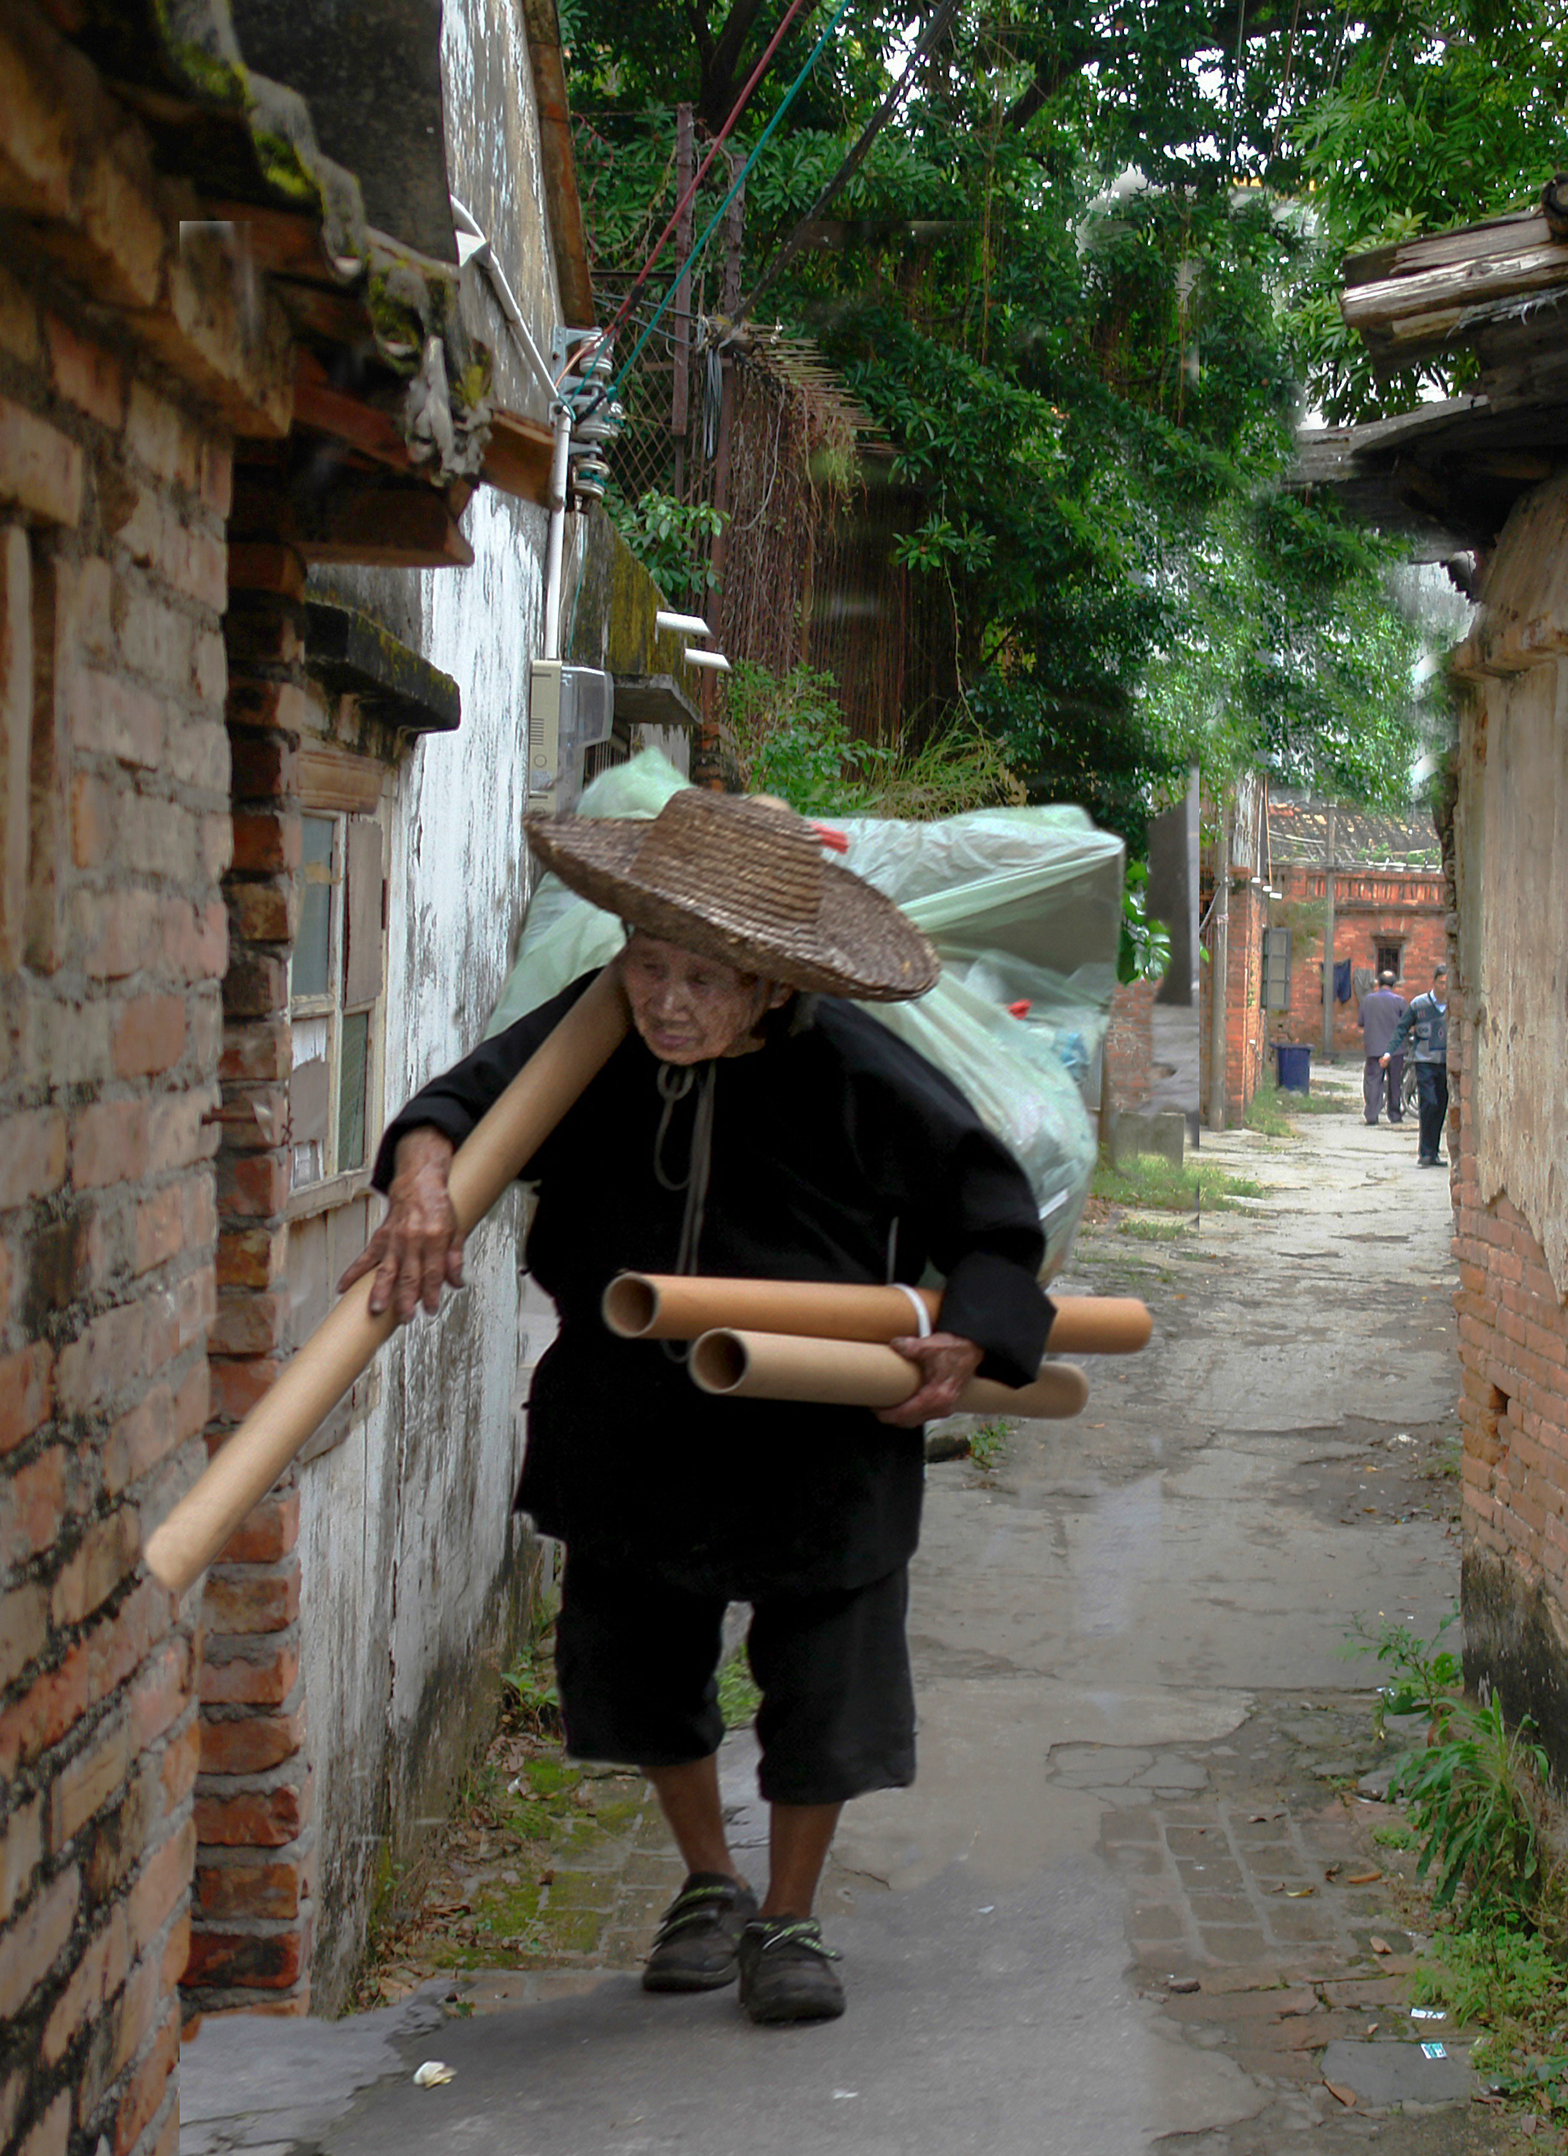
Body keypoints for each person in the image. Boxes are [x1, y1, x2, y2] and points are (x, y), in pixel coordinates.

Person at [337, 792, 1052, 2026]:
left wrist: (970, 1336)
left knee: (824, 1682)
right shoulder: (596, 1028)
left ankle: (789, 1913)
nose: (665, 1001)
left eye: (704, 979)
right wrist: (419, 1179)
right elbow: (455, 1106)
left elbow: (992, 1222)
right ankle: (706, 1884)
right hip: (628, 1419)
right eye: (649, 963)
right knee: (635, 1670)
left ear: (774, 984)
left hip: (815, 1426)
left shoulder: (857, 1072)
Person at [1391, 966, 1450, 1166]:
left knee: (1441, 1106)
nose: (1445, 987)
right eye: (1441, 982)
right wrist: (1389, 1051)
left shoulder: (1454, 1006)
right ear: (1434, 982)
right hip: (1424, 1061)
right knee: (1429, 1103)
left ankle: (1433, 1152)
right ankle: (1424, 1151)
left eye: (1448, 983)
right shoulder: (1419, 1004)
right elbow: (1402, 1027)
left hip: (1446, 1063)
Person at [1358, 967, 1407, 1125]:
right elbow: (1406, 1024)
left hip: (1374, 1048)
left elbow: (1361, 1022)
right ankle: (1394, 1114)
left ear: (1378, 983)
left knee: (1373, 1081)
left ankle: (1372, 1114)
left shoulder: (1368, 1000)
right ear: (1393, 984)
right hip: (1395, 1050)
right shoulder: (1399, 1001)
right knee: (1395, 1082)